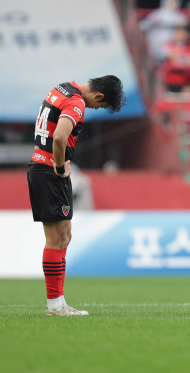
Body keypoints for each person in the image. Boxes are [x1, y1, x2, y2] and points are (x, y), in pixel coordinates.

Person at [27, 76, 126, 316]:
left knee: (64, 235)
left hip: (43, 169)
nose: (93, 108)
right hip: (50, 171)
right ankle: (54, 305)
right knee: (55, 238)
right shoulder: (76, 102)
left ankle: (59, 303)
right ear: (99, 96)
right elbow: (60, 137)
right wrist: (60, 168)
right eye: (99, 106)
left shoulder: (62, 88)